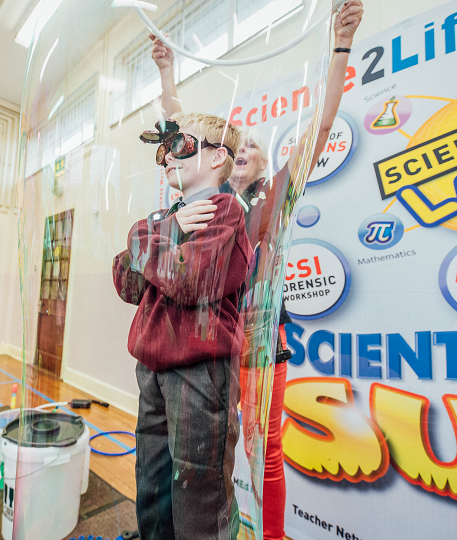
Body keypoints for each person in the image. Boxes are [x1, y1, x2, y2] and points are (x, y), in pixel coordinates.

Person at [151, 3, 364, 539]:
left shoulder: (269, 207)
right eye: (234, 144)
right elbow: (179, 137)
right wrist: (166, 74)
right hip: (207, 354)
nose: (243, 148)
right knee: (201, 463)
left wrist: (340, 43)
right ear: (218, 159)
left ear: (263, 163)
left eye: (252, 146)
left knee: (264, 454)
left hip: (260, 352)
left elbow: (319, 124)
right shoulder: (203, 206)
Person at [113, 112, 249, 539]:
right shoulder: (165, 219)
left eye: (181, 145)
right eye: (164, 149)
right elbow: (125, 282)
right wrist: (163, 229)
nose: (168, 156)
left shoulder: (223, 210)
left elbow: (189, 281)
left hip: (200, 373)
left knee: (198, 492)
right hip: (151, 370)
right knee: (152, 483)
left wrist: (144, 237)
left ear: (216, 158)